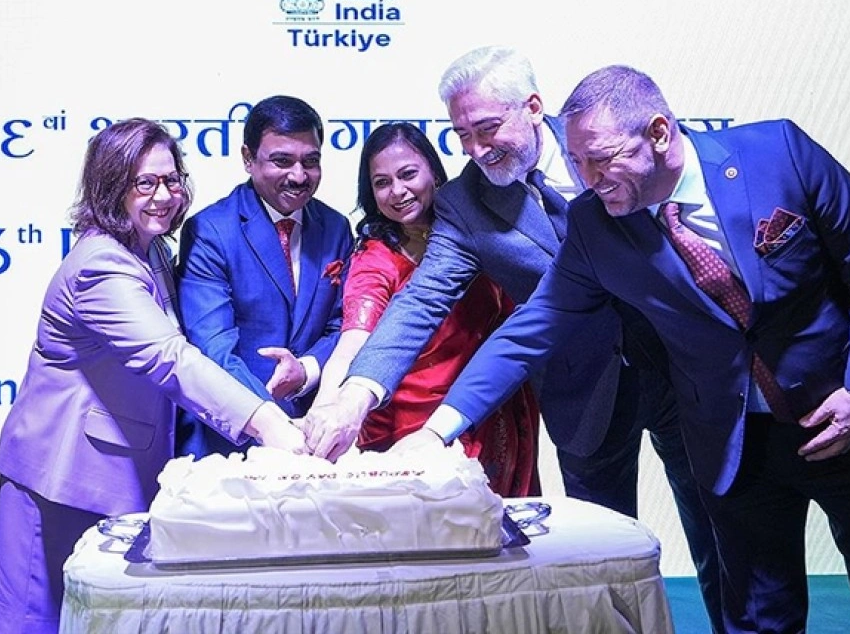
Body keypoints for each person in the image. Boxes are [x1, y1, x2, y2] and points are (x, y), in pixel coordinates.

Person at [398, 64, 850, 633]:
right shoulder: (594, 224)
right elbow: (533, 326)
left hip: (847, 423)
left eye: (602, 160)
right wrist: (438, 430)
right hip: (734, 446)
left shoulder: (778, 154)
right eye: (578, 162)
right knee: (760, 622)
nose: (587, 179)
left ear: (659, 133)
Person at [302, 46, 724, 632]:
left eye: (487, 128)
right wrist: (356, 395)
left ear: (532, 106)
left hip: (687, 375)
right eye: (462, 135)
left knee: (723, 540)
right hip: (584, 396)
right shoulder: (466, 203)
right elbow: (420, 302)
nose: (476, 149)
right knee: (599, 564)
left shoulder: (601, 143)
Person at [0, 119, 306, 634]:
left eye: (171, 180)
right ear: (112, 187)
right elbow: (169, 358)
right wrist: (267, 423)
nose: (163, 196)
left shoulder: (150, 247)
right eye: (145, 183)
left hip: (116, 477)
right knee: (36, 624)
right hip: (61, 481)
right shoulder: (101, 265)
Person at [309, 122, 540, 496]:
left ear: (434, 171)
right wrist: (329, 408)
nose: (397, 191)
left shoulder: (476, 229)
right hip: (411, 424)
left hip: (492, 406)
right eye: (382, 182)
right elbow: (353, 342)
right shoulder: (376, 258)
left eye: (408, 174)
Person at [175, 95, 354, 458]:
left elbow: (345, 325)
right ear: (248, 158)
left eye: (311, 161)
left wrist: (307, 370)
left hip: (316, 437)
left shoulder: (336, 227)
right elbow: (213, 349)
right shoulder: (210, 230)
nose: (299, 176)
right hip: (230, 443)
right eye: (282, 161)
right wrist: (271, 422)